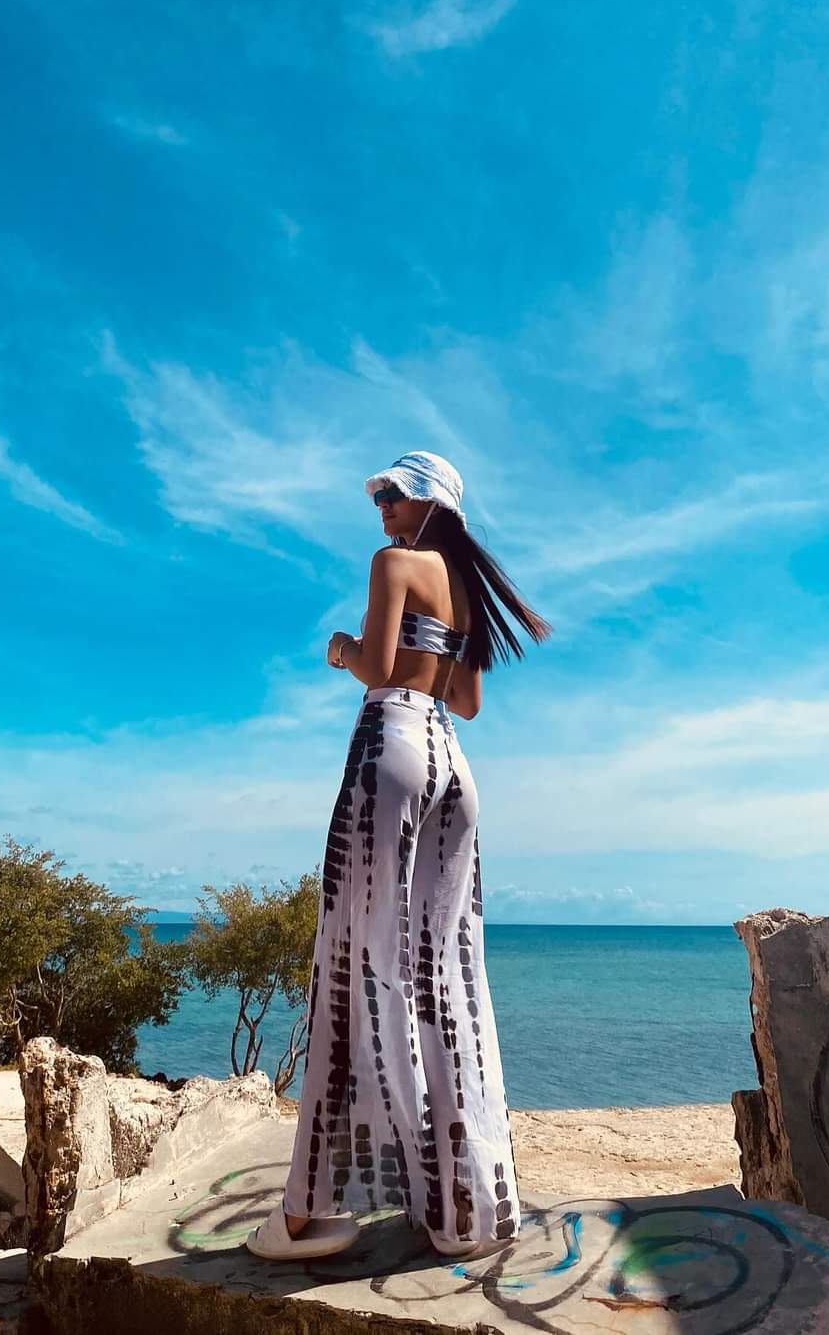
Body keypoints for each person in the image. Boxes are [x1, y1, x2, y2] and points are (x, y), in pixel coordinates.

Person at [246, 450, 552, 1262]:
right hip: (454, 766)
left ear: (429, 503)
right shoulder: (468, 592)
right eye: (378, 496)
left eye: (391, 494)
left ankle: (310, 1211)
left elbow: (379, 670)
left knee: (353, 957)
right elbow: (467, 702)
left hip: (394, 748)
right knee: (446, 977)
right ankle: (461, 1206)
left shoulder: (395, 563)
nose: (381, 508)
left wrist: (341, 649)